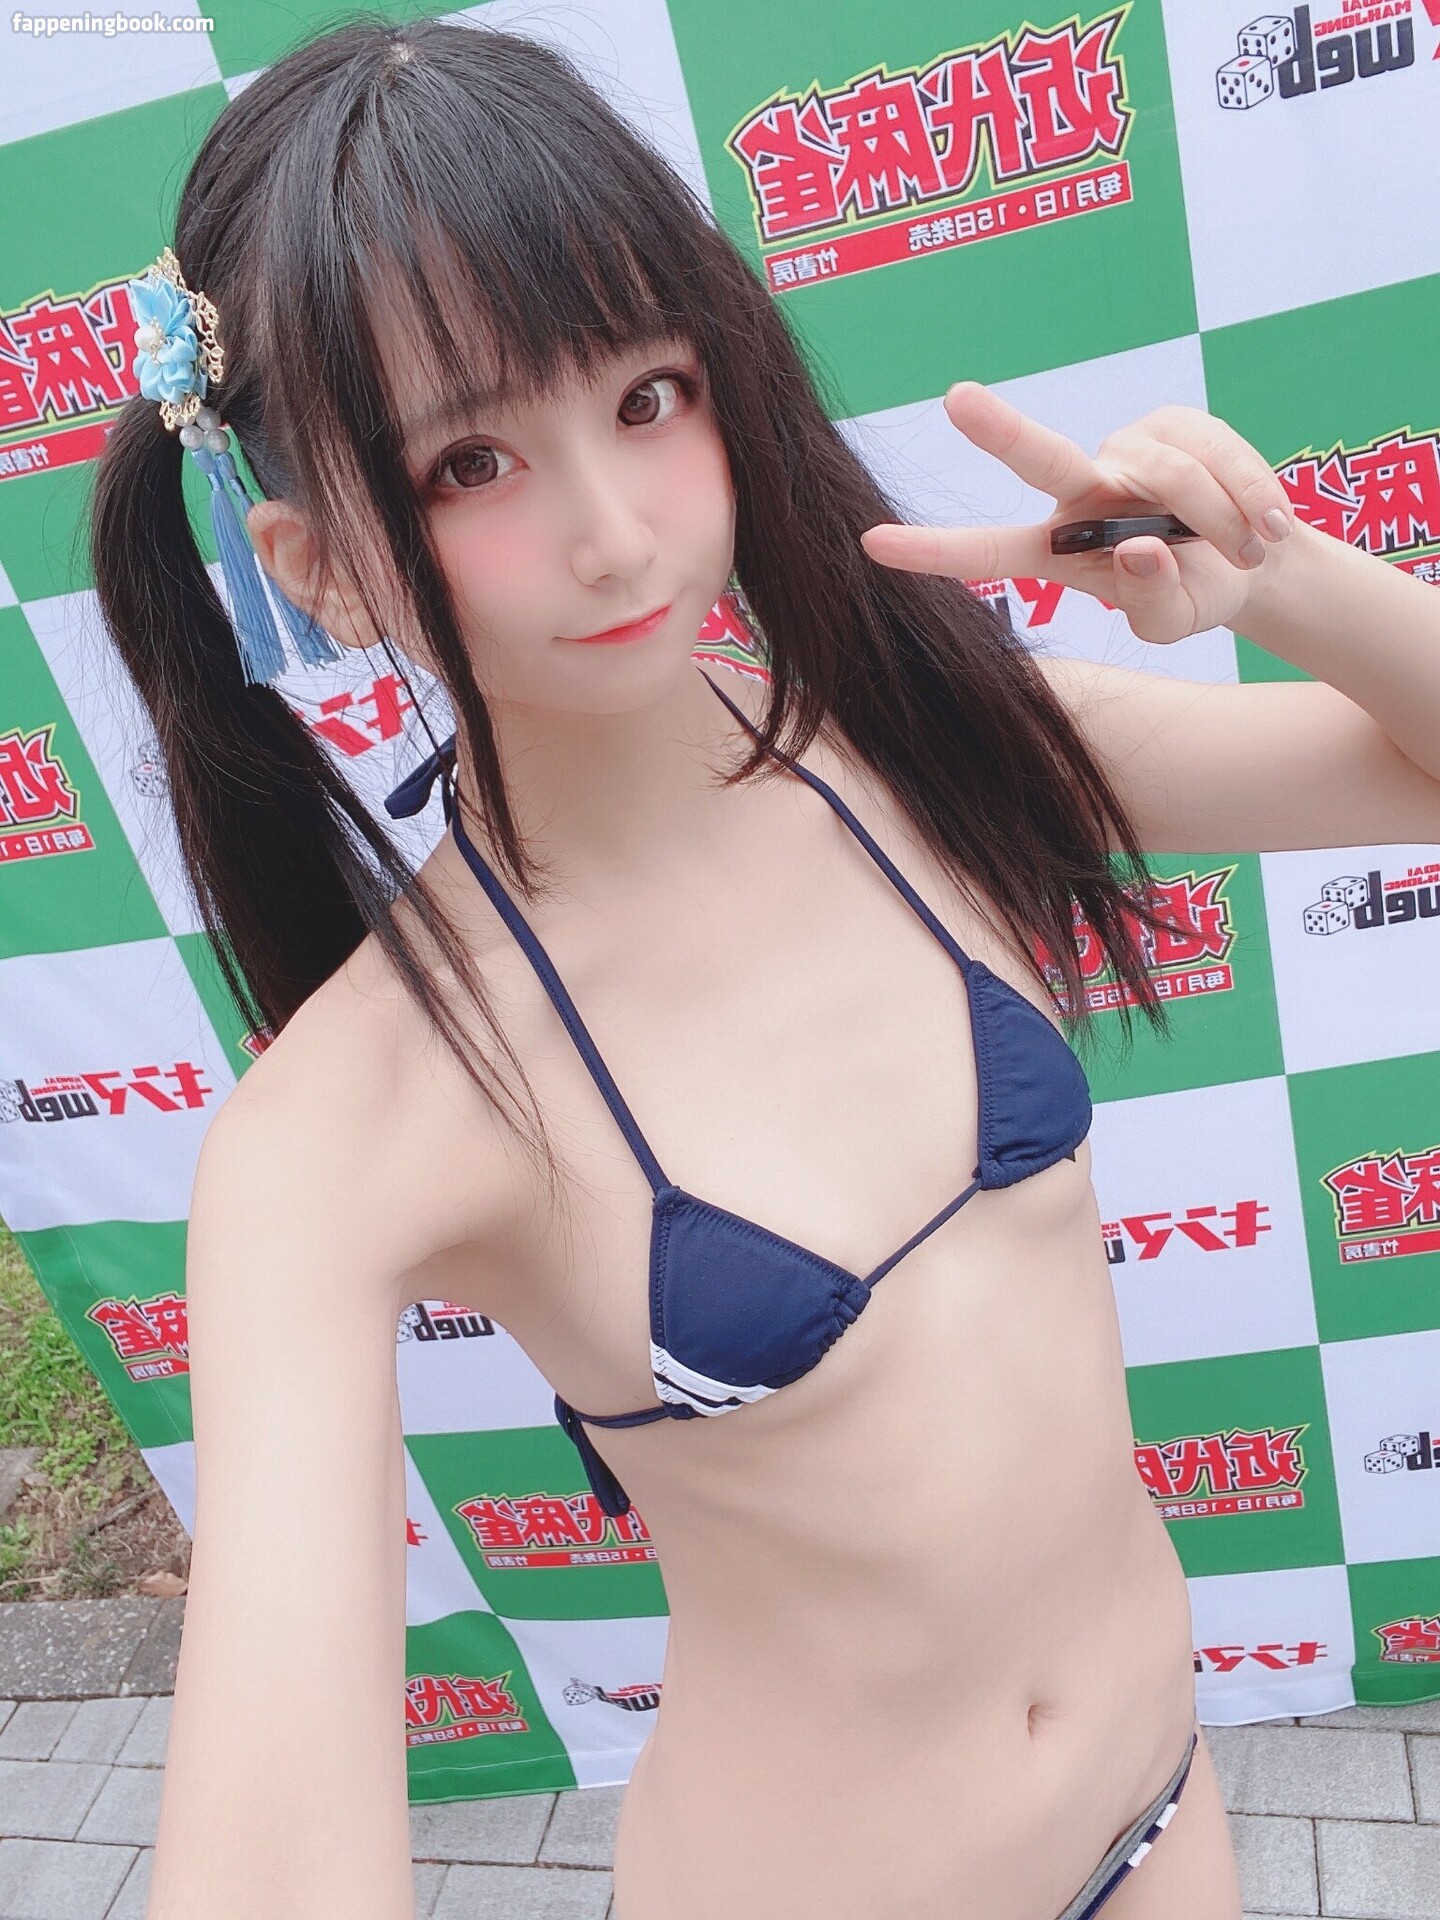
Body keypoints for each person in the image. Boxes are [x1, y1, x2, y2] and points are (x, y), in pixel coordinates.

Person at [87, 17, 1440, 1920]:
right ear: (318, 562)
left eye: (647, 395)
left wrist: (1280, 575)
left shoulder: (919, 749)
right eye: (472, 460)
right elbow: (277, 1841)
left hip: (1164, 1813)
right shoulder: (354, 1120)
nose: (615, 530)